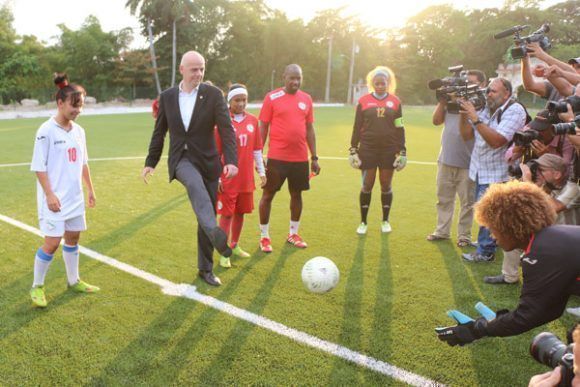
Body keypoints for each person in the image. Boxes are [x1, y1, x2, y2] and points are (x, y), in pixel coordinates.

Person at [436, 181, 580, 346]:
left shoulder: (541, 252)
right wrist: (495, 322)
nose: (491, 235)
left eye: (492, 227)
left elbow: (528, 316)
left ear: (508, 225)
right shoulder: (550, 240)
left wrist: (478, 328)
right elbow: (550, 310)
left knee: (574, 346)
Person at [142, 51, 238, 287]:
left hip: (208, 162)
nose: (199, 74)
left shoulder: (213, 94)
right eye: (194, 69)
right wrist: (150, 162)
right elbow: (159, 132)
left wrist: (231, 160)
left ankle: (205, 269)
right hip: (181, 159)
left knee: (205, 212)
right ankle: (214, 232)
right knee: (196, 188)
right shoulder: (167, 97)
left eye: (202, 69)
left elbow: (227, 130)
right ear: (182, 70)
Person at [29, 73, 100, 308]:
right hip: (54, 199)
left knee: (73, 237)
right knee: (51, 242)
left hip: (74, 197)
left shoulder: (79, 132)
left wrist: (90, 189)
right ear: (60, 103)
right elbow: (39, 167)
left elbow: (83, 163)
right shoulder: (46, 130)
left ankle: (73, 280)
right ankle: (37, 286)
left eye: (80, 106)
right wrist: (49, 194)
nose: (78, 110)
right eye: (74, 105)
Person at [459, 78, 527, 263]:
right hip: (481, 168)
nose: (488, 94)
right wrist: (463, 113)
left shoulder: (514, 110)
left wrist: (474, 117)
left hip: (499, 172)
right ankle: (487, 242)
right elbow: (466, 135)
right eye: (488, 90)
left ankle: (485, 251)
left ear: (507, 93)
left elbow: (497, 141)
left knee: (491, 213)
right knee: (488, 212)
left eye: (493, 91)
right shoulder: (485, 108)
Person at [258, 64, 320, 253]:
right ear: (284, 77)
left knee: (297, 194)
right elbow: (263, 126)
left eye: (298, 78)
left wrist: (314, 157)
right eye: (292, 78)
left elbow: (309, 129)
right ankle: (264, 237)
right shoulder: (272, 97)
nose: (295, 82)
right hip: (277, 157)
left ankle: (293, 233)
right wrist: (258, 155)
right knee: (268, 195)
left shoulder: (306, 99)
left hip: (300, 158)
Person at [427, 70, 486, 247]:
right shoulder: (451, 101)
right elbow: (436, 121)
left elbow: (470, 134)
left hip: (468, 163)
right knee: (443, 198)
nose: (466, 85)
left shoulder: (481, 106)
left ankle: (464, 236)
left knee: (467, 202)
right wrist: (443, 101)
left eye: (472, 82)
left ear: (481, 85)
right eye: (465, 82)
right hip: (446, 159)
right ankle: (442, 231)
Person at [349, 66, 407, 234]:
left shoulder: (395, 102)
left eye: (383, 83)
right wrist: (353, 149)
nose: (380, 86)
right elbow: (357, 126)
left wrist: (402, 151)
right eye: (377, 83)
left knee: (386, 185)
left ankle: (385, 221)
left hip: (388, 150)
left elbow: (399, 128)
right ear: (372, 83)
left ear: (388, 83)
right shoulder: (363, 101)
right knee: (367, 185)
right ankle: (363, 222)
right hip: (367, 149)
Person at [215, 84, 266, 268]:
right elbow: (216, 152)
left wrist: (261, 171)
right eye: (237, 100)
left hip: (246, 179)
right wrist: (218, 178)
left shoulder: (253, 120)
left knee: (240, 213)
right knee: (227, 215)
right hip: (228, 179)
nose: (241, 103)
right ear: (230, 101)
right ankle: (223, 252)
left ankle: (234, 245)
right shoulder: (222, 120)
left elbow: (257, 149)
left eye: (244, 99)